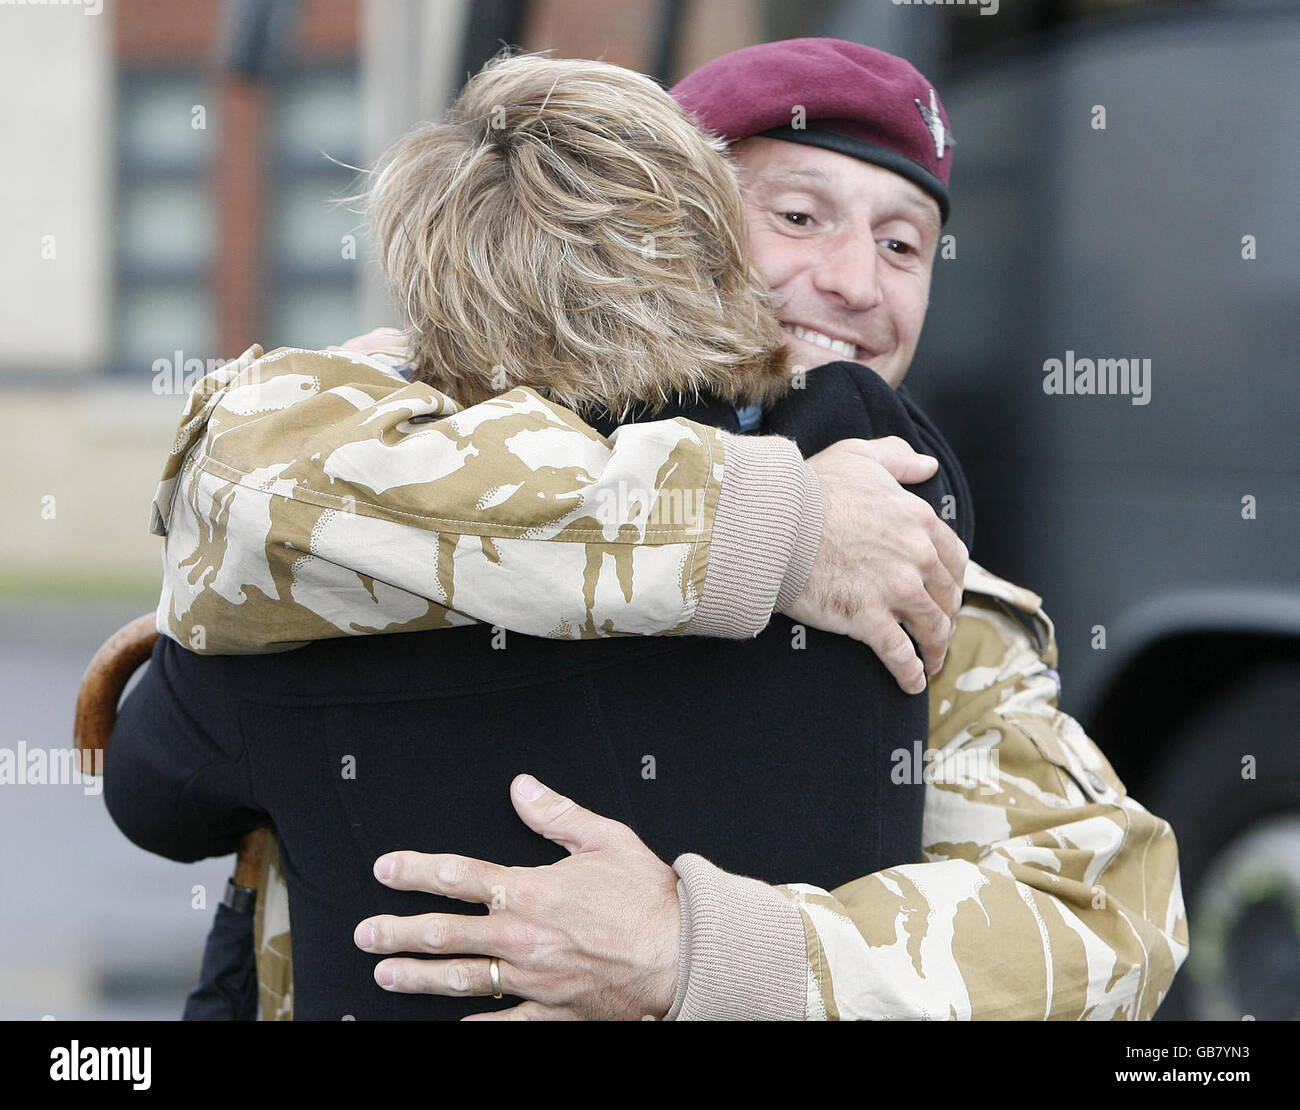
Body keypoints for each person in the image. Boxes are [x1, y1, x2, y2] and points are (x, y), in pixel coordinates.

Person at [117, 41, 1186, 1020]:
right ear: (671, 229)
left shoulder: (916, 577)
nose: (857, 283)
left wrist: (704, 954)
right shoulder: (365, 442)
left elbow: (1113, 926)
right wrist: (777, 532)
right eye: (800, 217)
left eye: (903, 244)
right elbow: (252, 482)